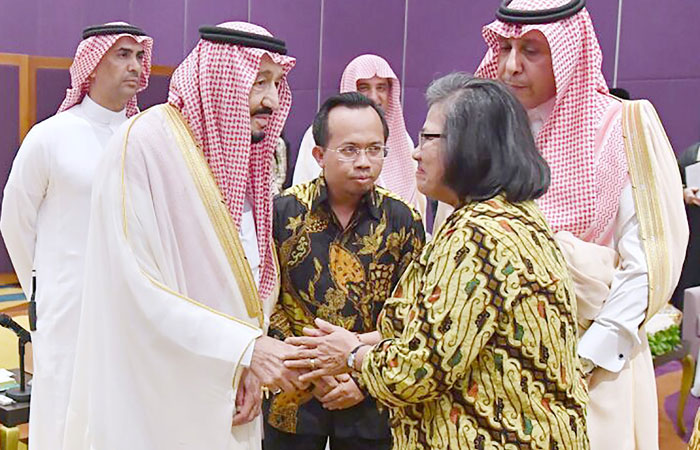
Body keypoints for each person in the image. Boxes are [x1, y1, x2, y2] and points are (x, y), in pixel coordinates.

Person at [283, 75, 590, 450]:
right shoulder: (506, 218)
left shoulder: (478, 237)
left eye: (428, 138)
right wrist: (347, 347)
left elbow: (417, 371)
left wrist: (351, 353)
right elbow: (433, 327)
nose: (414, 152)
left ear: (469, 147)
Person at [61, 22, 307, 450]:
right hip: (157, 392)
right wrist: (246, 348)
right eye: (259, 81)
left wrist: (244, 365)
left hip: (228, 385)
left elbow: (246, 274)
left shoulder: (246, 159)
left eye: (277, 84)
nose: (271, 100)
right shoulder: (143, 146)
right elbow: (134, 285)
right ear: (219, 80)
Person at [474, 1, 688, 448]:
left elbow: (650, 258)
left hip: (590, 366)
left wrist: (583, 359)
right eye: (506, 47)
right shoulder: (482, 132)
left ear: (569, 50)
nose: (511, 66)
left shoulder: (623, 125)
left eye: (532, 50)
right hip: (489, 364)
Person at [0, 22, 152, 450]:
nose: (135, 66)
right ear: (92, 62)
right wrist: (47, 281)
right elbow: (16, 220)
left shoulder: (145, 140)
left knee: (123, 406)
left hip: (133, 304)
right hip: (69, 302)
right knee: (64, 404)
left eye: (140, 56)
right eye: (122, 54)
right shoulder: (51, 136)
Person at [264, 92, 425, 450]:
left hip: (370, 397)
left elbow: (412, 312)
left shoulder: (403, 220)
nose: (364, 162)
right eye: (349, 150)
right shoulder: (283, 213)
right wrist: (312, 371)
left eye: (375, 149)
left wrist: (362, 378)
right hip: (294, 389)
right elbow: (265, 297)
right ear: (319, 155)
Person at [292, 55, 424, 212]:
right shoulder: (320, 134)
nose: (374, 97)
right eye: (364, 87)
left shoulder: (403, 139)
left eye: (381, 87)